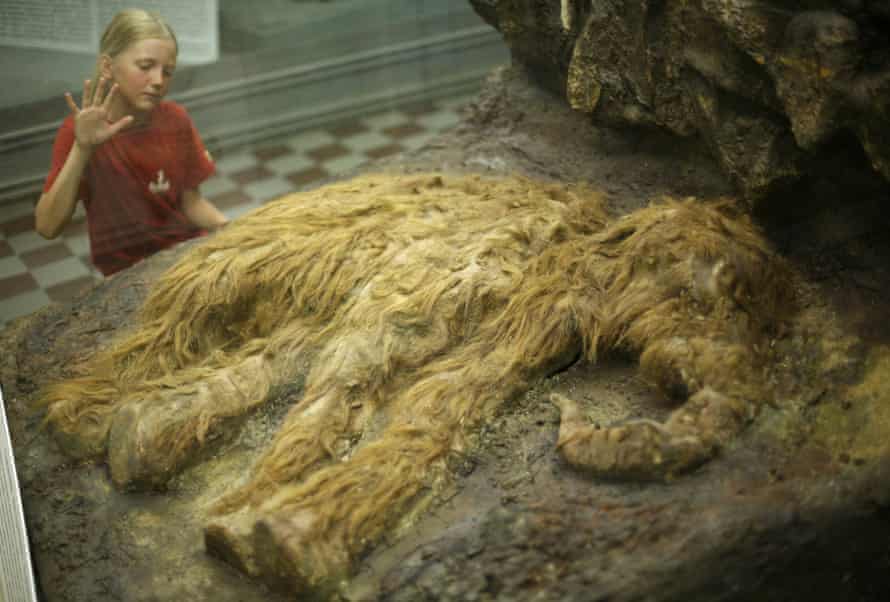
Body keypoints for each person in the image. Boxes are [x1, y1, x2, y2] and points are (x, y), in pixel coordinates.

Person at [35, 9, 228, 277]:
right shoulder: (77, 133)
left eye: (168, 71)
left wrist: (232, 229)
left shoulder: (175, 118)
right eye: (145, 67)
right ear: (107, 67)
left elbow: (191, 203)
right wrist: (83, 148)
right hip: (125, 273)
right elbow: (47, 226)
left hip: (186, 257)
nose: (159, 81)